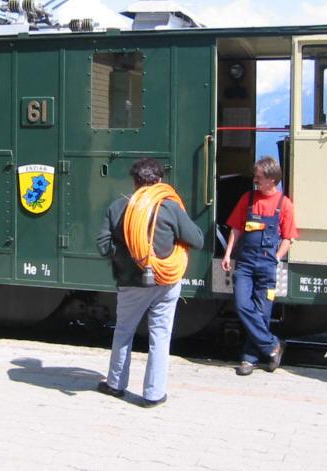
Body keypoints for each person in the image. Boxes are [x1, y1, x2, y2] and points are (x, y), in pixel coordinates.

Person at [95, 158, 203, 407]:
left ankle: (115, 385)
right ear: (159, 181)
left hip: (131, 284)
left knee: (123, 332)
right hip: (166, 282)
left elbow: (103, 245)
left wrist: (132, 257)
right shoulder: (170, 208)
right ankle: (154, 394)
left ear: (134, 182)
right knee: (161, 336)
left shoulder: (118, 207)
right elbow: (197, 239)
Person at [221, 156, 298, 376]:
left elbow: (288, 238)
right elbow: (236, 228)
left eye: (259, 177)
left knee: (262, 313)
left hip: (267, 266)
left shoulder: (285, 204)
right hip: (244, 263)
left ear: (272, 180)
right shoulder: (248, 198)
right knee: (243, 305)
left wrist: (276, 258)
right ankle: (273, 345)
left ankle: (249, 359)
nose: (255, 180)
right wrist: (228, 254)